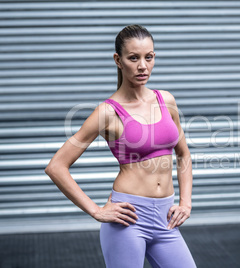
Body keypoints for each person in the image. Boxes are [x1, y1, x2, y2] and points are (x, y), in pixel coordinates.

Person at [45, 24, 197, 268]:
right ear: (118, 60)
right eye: (133, 58)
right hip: (128, 219)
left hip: (166, 219)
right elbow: (56, 166)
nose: (142, 66)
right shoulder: (107, 112)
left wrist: (186, 202)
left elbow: (183, 155)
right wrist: (96, 210)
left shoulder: (166, 100)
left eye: (148, 57)